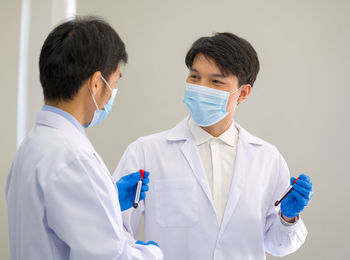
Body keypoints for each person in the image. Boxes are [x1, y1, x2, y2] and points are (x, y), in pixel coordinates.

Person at [113, 32, 313, 259]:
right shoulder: (146, 152)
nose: (201, 87)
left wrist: (287, 218)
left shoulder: (267, 158)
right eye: (195, 77)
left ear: (243, 93)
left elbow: (277, 245)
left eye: (216, 81)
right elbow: (113, 228)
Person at [6, 16, 163, 260]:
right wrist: (152, 252)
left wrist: (109, 198)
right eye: (115, 81)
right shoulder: (73, 159)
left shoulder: (33, 145)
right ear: (97, 84)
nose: (113, 93)